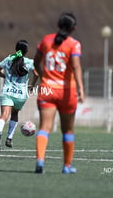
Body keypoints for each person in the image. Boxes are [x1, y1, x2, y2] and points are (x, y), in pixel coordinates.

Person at [33, 12, 85, 174]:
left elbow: (36, 62)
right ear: (73, 28)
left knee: (44, 127)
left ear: (58, 25)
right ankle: (67, 166)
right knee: (68, 130)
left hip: (47, 89)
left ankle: (40, 161)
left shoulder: (46, 40)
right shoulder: (74, 44)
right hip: (66, 92)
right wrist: (80, 88)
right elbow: (76, 66)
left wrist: (43, 77)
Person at [0, 39, 38, 151]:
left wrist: (5, 77)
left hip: (8, 92)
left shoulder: (9, 58)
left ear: (16, 49)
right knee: (15, 114)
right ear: (26, 51)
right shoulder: (29, 62)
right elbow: (36, 74)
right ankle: (9, 138)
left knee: (4, 115)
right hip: (21, 95)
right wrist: (31, 85)